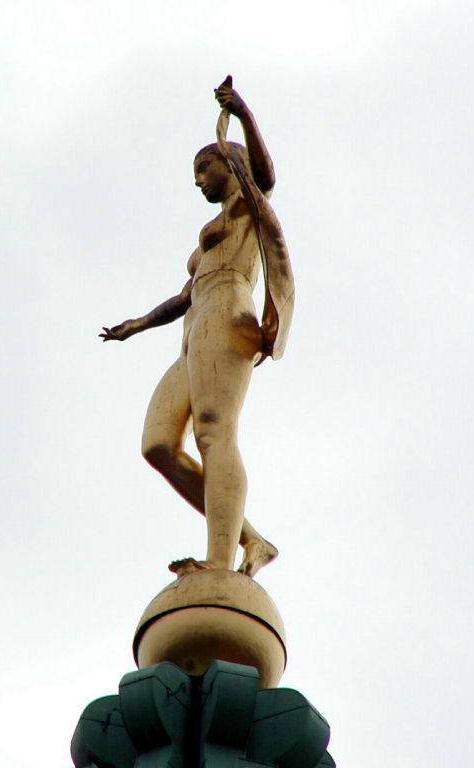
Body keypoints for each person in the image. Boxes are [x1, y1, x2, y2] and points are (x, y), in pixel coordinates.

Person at [100, 77, 293, 578]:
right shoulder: (208, 237)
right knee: (158, 444)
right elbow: (185, 295)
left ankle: (219, 561)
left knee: (214, 430)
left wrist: (244, 112)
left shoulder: (247, 203)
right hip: (195, 321)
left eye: (202, 168)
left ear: (228, 165)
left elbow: (267, 175)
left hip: (229, 310)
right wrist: (138, 323)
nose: (197, 180)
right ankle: (253, 540)